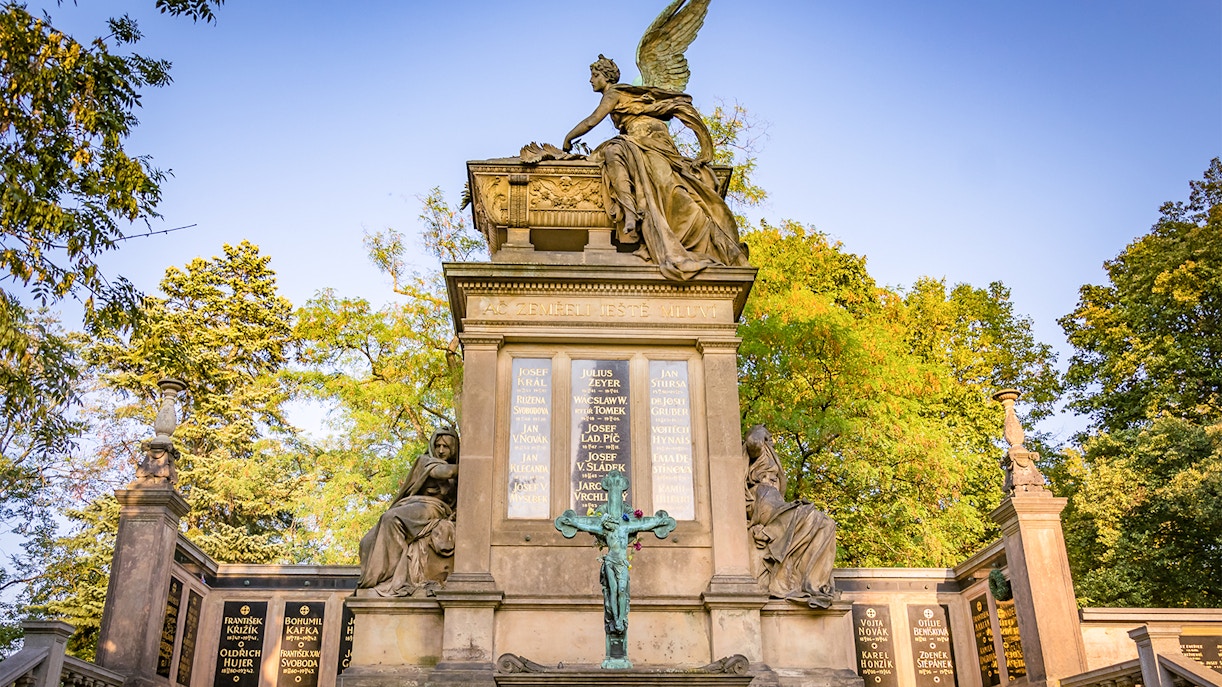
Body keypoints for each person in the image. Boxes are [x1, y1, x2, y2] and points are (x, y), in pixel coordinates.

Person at [562, 55, 749, 281]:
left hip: (647, 141)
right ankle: (631, 213)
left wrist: (568, 138)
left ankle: (632, 213)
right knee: (643, 169)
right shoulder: (629, 95)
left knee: (629, 160)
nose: (591, 81)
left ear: (606, 77)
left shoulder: (614, 93)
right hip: (650, 143)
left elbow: (593, 120)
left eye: (594, 75)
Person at [357, 429, 459, 597]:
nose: (441, 450)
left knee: (391, 518)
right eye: (438, 445)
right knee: (367, 542)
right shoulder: (425, 461)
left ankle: (387, 576)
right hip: (416, 503)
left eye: (446, 447)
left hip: (434, 508)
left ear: (454, 449)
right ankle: (382, 579)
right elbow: (443, 472)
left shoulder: (456, 474)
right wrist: (473, 464)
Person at [743, 424, 837, 608]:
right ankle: (772, 533)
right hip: (762, 495)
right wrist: (760, 430)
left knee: (826, 523)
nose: (771, 439)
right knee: (813, 518)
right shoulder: (762, 452)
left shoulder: (771, 456)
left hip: (774, 500)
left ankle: (812, 585)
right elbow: (753, 443)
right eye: (769, 437)